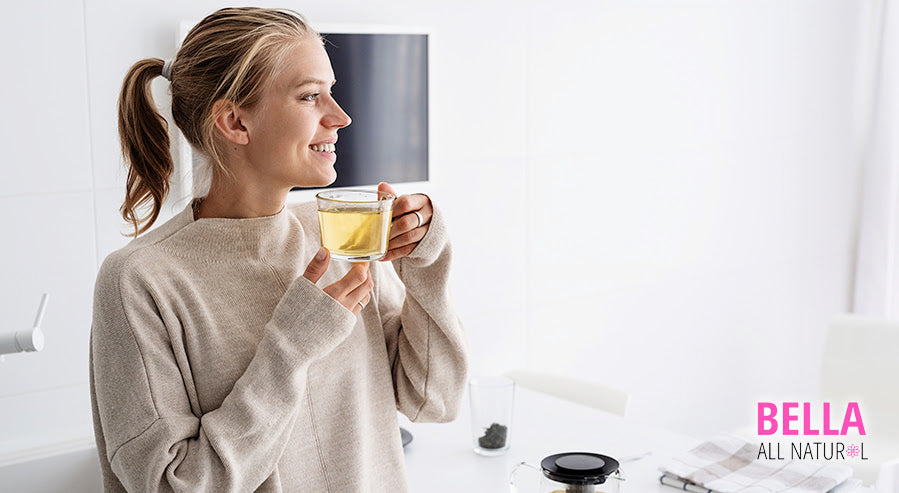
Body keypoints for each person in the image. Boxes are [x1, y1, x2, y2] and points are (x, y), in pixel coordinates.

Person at [89, 7, 468, 492]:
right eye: (311, 96)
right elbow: (172, 485)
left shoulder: (338, 233)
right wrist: (291, 346)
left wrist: (427, 263)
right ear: (234, 122)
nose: (341, 117)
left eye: (332, 93)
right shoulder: (141, 279)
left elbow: (434, 401)